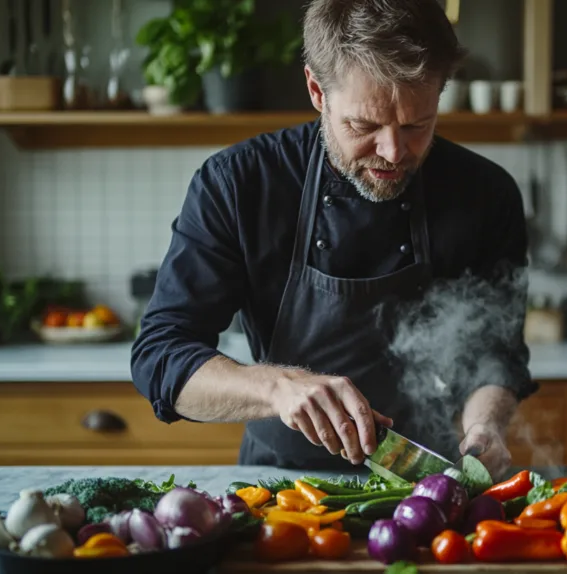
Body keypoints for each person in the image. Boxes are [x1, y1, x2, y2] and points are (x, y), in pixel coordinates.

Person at [130, 0, 536, 481]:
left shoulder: (485, 193)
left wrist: (485, 424)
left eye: (416, 125)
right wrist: (278, 387)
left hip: (428, 483)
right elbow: (161, 356)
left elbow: (497, 351)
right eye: (364, 127)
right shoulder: (239, 184)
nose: (393, 151)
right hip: (279, 487)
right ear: (317, 90)